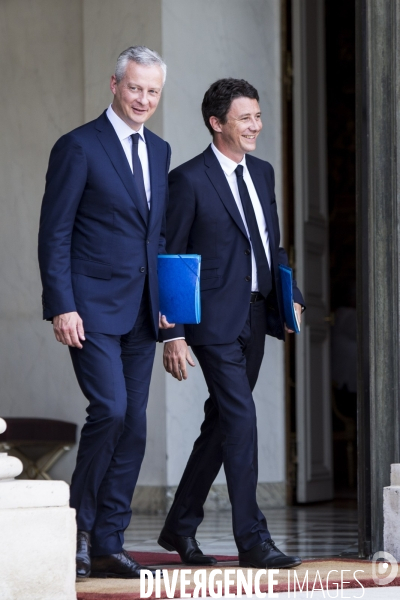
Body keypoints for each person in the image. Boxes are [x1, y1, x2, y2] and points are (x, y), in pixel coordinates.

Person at [38, 46, 174, 579]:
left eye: (153, 91)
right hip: (90, 309)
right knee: (111, 410)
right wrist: (61, 305)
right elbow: (55, 232)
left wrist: (171, 311)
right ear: (114, 85)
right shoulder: (78, 146)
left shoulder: (160, 151)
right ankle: (78, 529)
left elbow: (156, 236)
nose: (143, 99)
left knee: (135, 425)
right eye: (135, 87)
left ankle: (109, 541)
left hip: (144, 311)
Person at [158, 78, 305, 569]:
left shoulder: (262, 173)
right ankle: (252, 539)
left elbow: (272, 246)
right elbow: (172, 256)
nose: (256, 126)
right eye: (246, 118)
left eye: (258, 116)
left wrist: (290, 299)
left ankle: (180, 524)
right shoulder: (189, 179)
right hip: (213, 323)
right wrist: (173, 332)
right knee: (241, 419)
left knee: (222, 424)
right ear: (216, 123)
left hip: (256, 313)